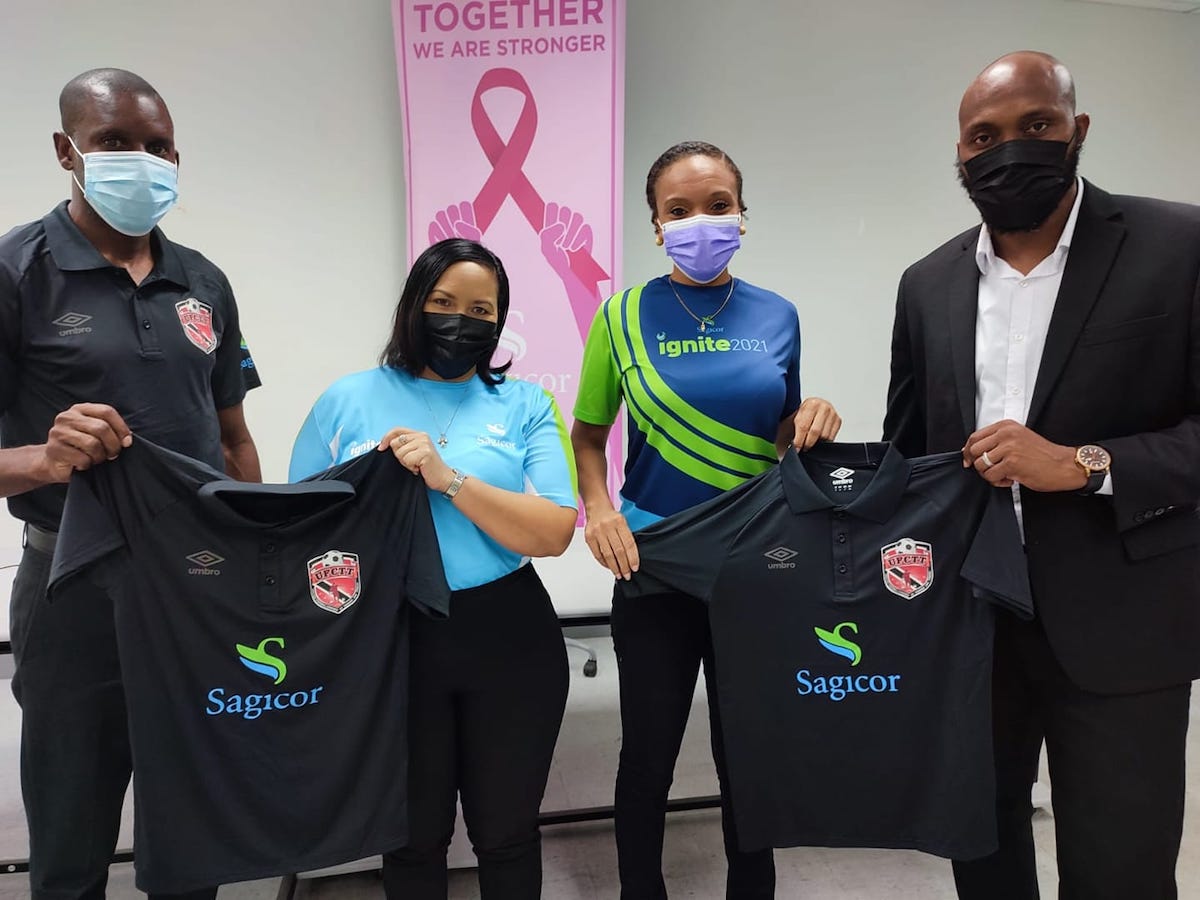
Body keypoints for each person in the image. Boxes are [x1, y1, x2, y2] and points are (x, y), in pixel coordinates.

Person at [883, 51, 1200, 900]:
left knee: (1121, 870)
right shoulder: (926, 285)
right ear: (960, 153)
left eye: (1036, 127)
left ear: (1077, 131)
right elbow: (911, 456)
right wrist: (815, 459)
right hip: (972, 626)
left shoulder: (1180, 246)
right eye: (983, 136)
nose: (1008, 149)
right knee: (981, 856)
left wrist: (1083, 465)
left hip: (1124, 625)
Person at [0, 68, 262, 900]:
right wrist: (42, 458)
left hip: (197, 583)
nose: (141, 162)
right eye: (115, 144)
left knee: (195, 833)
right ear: (65, 150)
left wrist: (260, 562)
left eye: (158, 148)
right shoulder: (17, 272)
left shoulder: (205, 281)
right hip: (73, 584)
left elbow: (233, 438)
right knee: (72, 836)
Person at [571, 140, 842, 900]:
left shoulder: (778, 314)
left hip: (757, 565)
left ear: (742, 215)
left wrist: (811, 414)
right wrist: (598, 511)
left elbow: (782, 437)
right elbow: (588, 437)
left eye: (717, 205)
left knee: (750, 752)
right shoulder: (620, 316)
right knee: (647, 754)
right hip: (652, 561)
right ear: (656, 226)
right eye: (679, 211)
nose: (700, 223)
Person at [289, 238, 578, 900]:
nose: (460, 321)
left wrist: (449, 480)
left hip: (509, 636)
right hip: (391, 639)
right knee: (411, 840)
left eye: (481, 309)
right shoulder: (347, 399)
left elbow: (555, 530)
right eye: (444, 302)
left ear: (500, 324)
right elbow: (304, 529)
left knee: (507, 835)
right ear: (413, 304)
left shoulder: (526, 404)